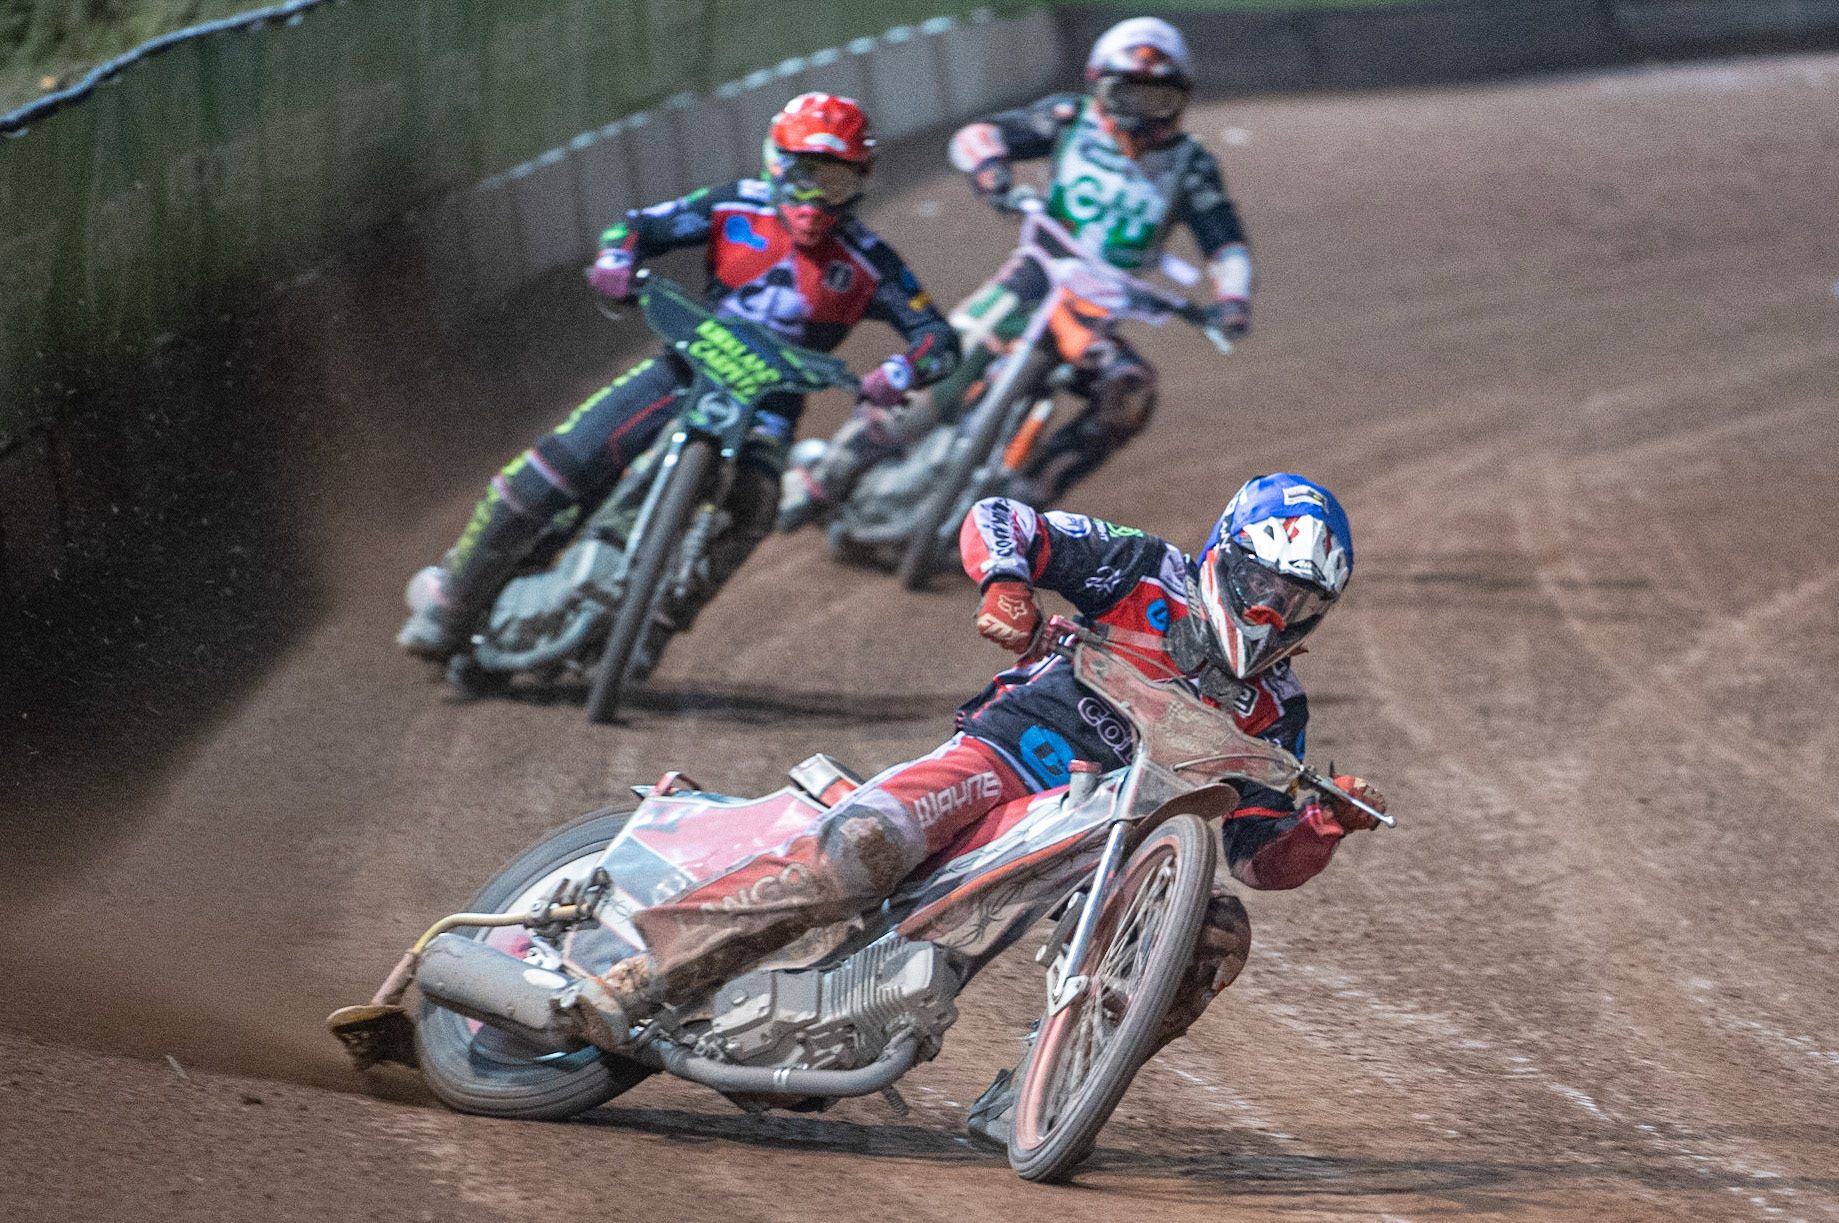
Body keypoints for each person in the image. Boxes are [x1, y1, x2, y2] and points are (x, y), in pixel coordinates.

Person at [581, 472, 1385, 1141]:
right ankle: (643, 974)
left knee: (1216, 929)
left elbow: (1253, 855)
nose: (1273, 612)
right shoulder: (1142, 570)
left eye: (1299, 601)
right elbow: (1003, 518)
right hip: (1006, 758)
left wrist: (1317, 825)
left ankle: (1051, 1089)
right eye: (1263, 585)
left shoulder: (1277, 707)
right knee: (864, 843)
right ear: (1223, 555)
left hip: (1109, 847)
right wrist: (1006, 582)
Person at [398, 93, 959, 660]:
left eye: (835, 185)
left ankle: (656, 628)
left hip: (769, 406)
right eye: (805, 176)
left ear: (859, 185)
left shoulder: (871, 262)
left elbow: (939, 338)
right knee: (551, 468)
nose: (816, 201)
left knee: (756, 509)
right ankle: (453, 602)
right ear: (775, 164)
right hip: (684, 369)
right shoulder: (733, 206)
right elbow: (637, 227)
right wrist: (617, 260)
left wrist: (902, 370)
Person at [778, 16, 1255, 529]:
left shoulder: (1192, 164)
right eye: (1132, 92)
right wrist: (991, 170)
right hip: (1031, 281)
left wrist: (1233, 299)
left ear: (1180, 98)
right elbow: (978, 135)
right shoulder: (1070, 119)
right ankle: (822, 477)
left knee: (1131, 391)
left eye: (1158, 97)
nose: (1144, 110)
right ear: (1103, 85)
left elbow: (1223, 238)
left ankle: (1025, 501)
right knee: (939, 362)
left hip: (1095, 317)